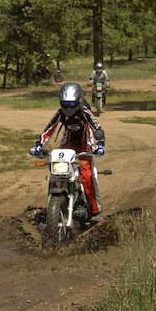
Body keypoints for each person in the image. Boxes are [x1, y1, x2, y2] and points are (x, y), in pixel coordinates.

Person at [30, 82, 106, 216]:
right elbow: (49, 129)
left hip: (85, 145)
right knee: (55, 172)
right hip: (68, 143)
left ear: (79, 101)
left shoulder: (84, 112)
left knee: (87, 176)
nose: (68, 108)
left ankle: (95, 209)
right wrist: (38, 145)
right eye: (65, 104)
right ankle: (54, 207)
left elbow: (96, 127)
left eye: (71, 104)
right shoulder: (60, 113)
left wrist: (100, 144)